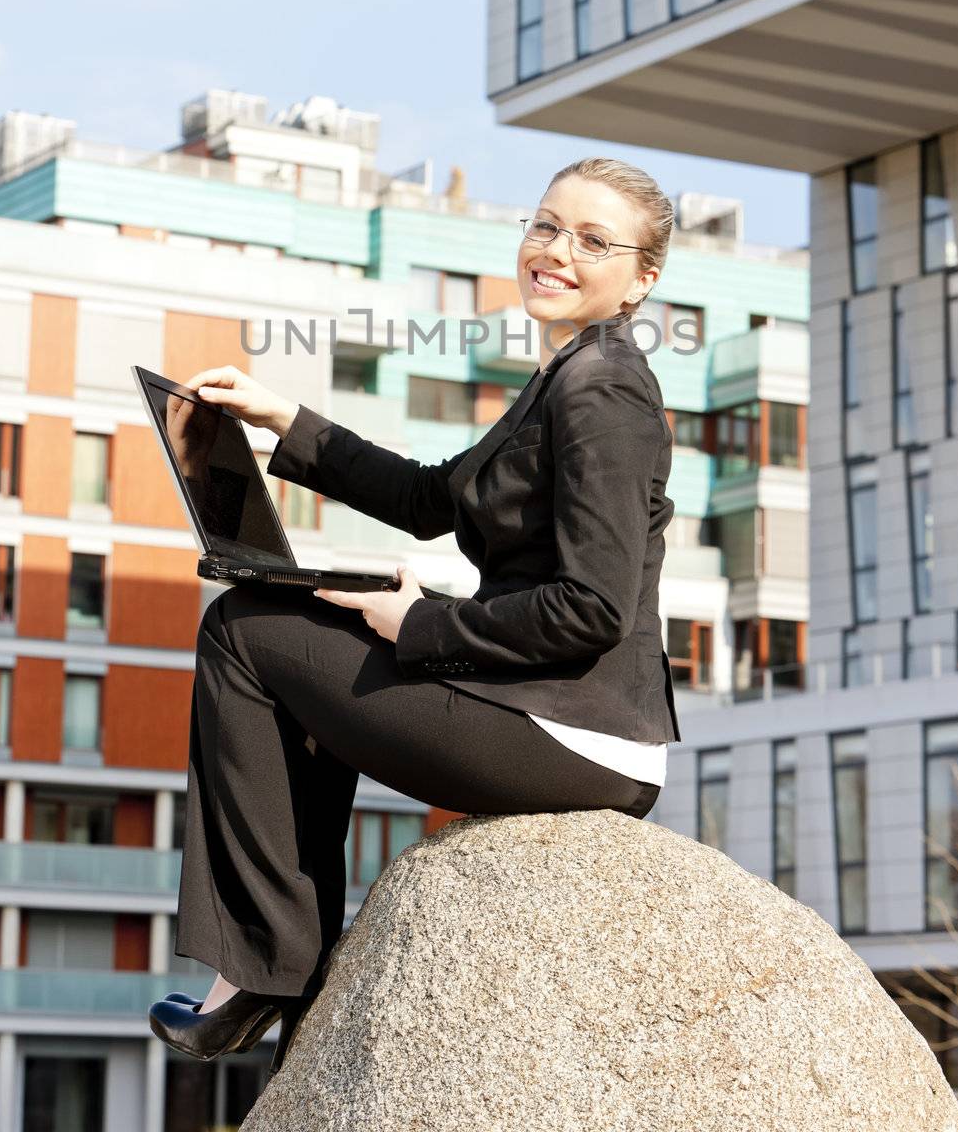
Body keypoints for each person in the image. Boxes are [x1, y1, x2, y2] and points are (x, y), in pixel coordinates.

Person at [148, 155, 682, 1080]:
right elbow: (436, 498)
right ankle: (278, 970)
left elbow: (592, 607)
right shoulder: (567, 375)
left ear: (642, 279)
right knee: (281, 620)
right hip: (545, 711)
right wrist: (285, 418)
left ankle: (267, 969)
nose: (555, 251)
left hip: (575, 733)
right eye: (546, 225)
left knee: (243, 627)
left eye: (592, 240)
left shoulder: (602, 389)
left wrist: (420, 626)